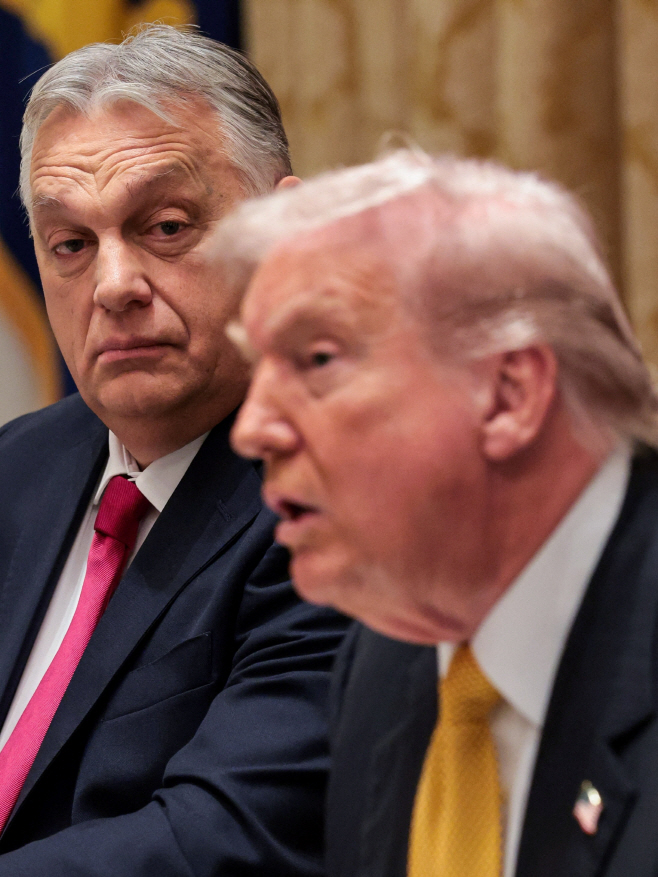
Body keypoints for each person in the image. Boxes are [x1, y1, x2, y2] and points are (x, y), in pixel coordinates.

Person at [223, 149, 658, 877]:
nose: (251, 429)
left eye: (318, 359)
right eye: (257, 368)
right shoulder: (380, 664)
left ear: (510, 394)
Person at [0, 24, 348, 876]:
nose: (114, 285)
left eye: (164, 226)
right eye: (71, 245)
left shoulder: (340, 493)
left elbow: (228, 836)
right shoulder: (19, 465)